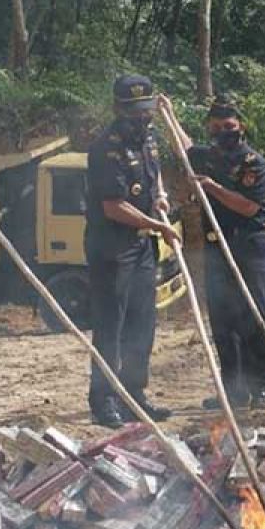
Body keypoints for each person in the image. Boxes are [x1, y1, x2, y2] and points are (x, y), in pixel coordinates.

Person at [84, 75, 178, 428]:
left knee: (143, 323)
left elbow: (154, 177)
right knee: (112, 326)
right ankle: (104, 401)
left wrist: (161, 196)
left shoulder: (148, 138)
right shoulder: (105, 148)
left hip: (141, 247)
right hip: (112, 248)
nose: (142, 119)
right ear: (117, 109)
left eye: (146, 112)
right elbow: (113, 206)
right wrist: (158, 226)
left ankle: (134, 395)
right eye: (134, 114)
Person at [173, 94, 265, 410]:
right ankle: (234, 390)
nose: (223, 131)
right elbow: (185, 146)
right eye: (216, 126)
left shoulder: (254, 164)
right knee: (223, 321)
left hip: (249, 246)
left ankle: (264, 387)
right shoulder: (207, 157)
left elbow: (249, 207)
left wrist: (213, 188)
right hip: (216, 248)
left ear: (241, 126)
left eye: (229, 125)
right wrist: (169, 113)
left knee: (254, 316)